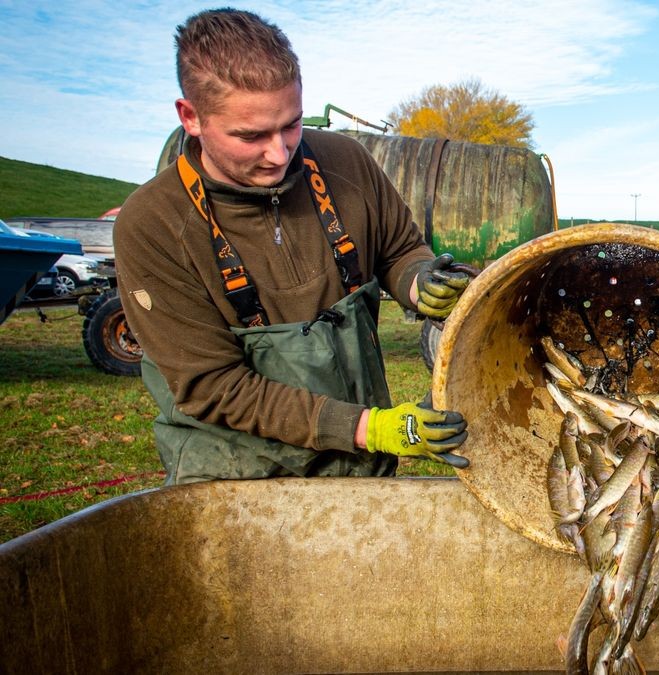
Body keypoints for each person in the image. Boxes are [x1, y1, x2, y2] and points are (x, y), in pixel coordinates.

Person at [114, 8, 472, 485]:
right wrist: (372, 427)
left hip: (358, 468)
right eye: (251, 135)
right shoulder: (152, 225)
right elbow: (213, 386)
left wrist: (418, 279)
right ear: (191, 117)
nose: (279, 154)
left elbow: (398, 249)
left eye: (290, 124)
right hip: (239, 479)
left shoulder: (346, 162)